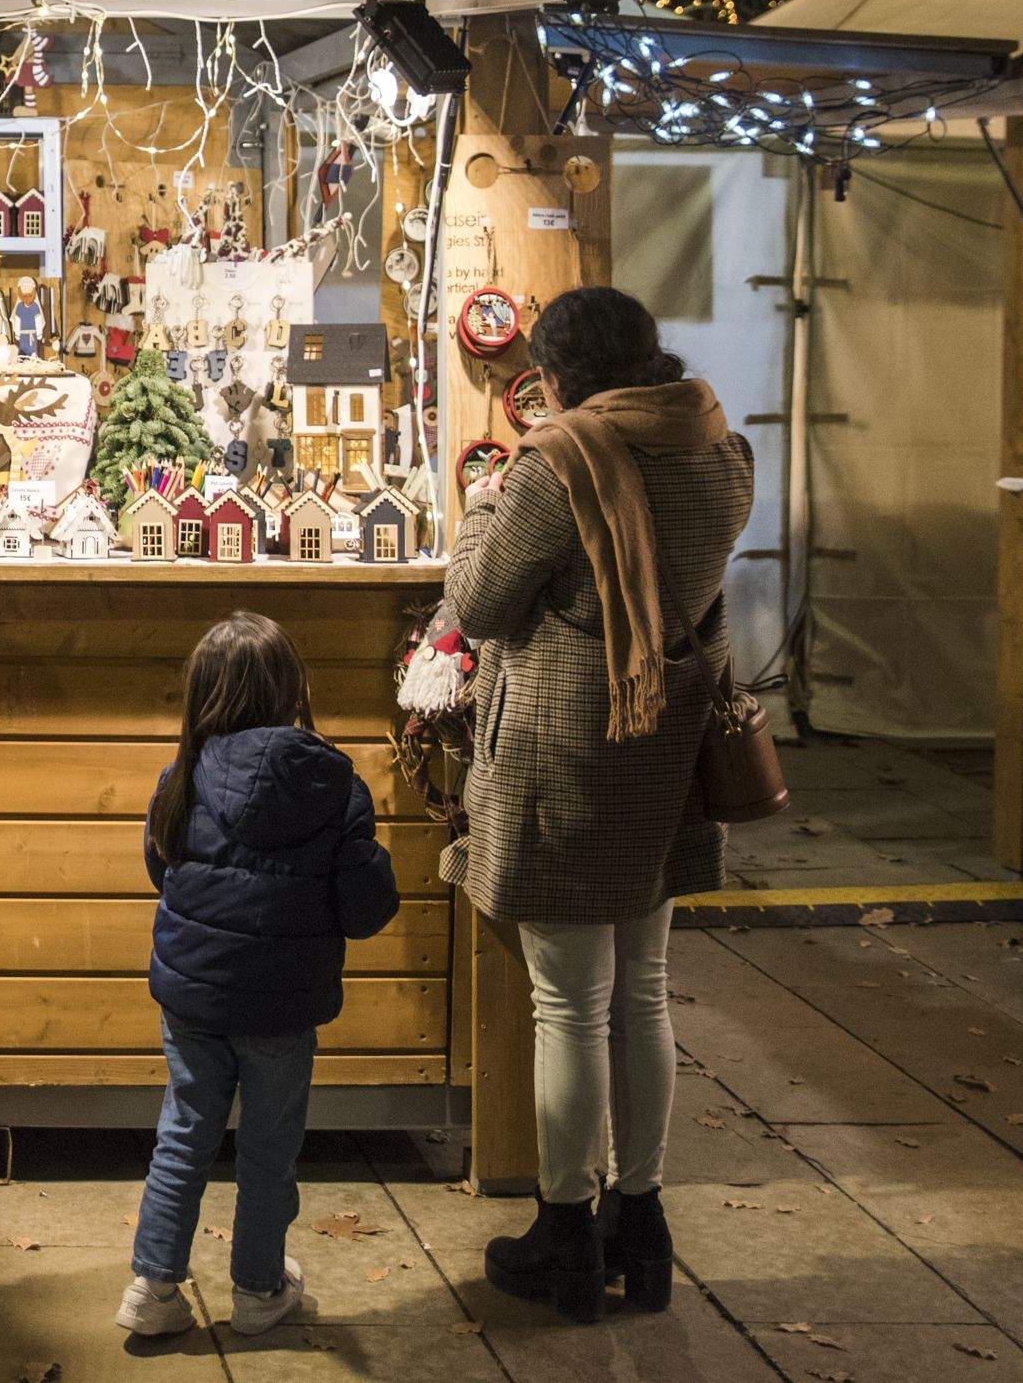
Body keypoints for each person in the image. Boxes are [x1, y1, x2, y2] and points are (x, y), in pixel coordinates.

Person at [445, 285, 754, 1325]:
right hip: (665, 750)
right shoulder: (719, 451)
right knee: (645, 991)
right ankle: (644, 1223)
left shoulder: (558, 466)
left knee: (569, 1004)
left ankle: (567, 1235)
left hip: (569, 752)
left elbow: (481, 602)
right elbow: (701, 599)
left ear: (563, 372)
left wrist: (479, 510)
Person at [118, 612, 401, 1341]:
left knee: (182, 1133)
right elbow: (365, 909)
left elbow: (161, 868)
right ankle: (257, 1287)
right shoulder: (333, 785)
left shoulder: (180, 774)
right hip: (281, 1004)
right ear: (292, 686)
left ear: (201, 695)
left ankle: (151, 1288)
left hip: (193, 996)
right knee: (268, 1150)